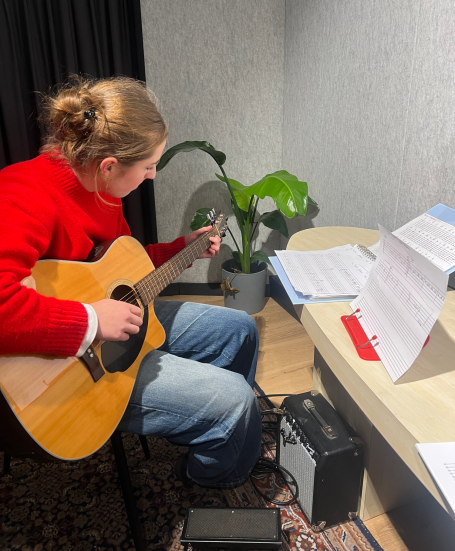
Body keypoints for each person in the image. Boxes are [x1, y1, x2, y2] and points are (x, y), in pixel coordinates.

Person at [0, 75, 262, 488]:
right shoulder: (23, 194)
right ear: (109, 166)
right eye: (147, 166)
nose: (152, 175)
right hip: (65, 373)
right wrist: (90, 321)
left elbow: (122, 268)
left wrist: (181, 249)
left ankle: (219, 435)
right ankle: (211, 474)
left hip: (110, 328)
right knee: (236, 399)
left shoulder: (103, 189)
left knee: (241, 328)